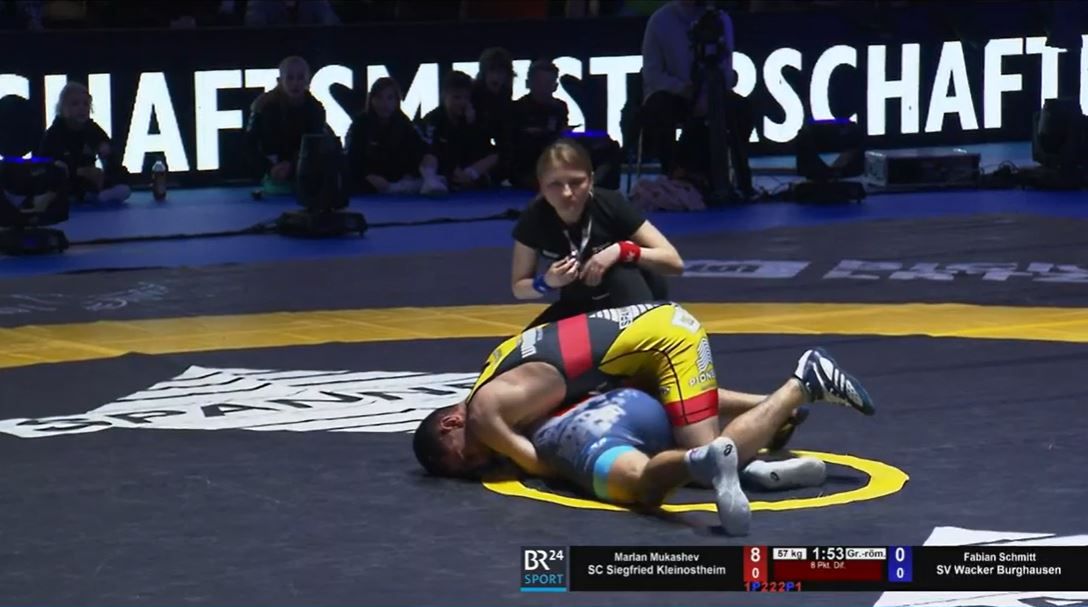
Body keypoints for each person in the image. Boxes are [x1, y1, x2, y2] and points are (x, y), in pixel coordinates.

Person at [411, 302, 875, 515]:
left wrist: (509, 459)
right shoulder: (495, 375)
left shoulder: (485, 412)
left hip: (666, 340)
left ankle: (802, 383)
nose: (479, 463)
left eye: (466, 458)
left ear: (452, 422)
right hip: (639, 344)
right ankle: (769, 413)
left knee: (707, 457)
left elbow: (537, 464)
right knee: (666, 403)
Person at [527, 386, 830, 533]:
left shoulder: (523, 420)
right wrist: (764, 403)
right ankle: (754, 465)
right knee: (686, 403)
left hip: (579, 431)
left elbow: (526, 457)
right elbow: (697, 397)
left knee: (641, 484)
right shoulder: (566, 375)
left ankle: (699, 458)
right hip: (630, 398)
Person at [511, 139, 682, 329]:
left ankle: (646, 332)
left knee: (619, 271)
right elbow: (519, 288)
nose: (567, 193)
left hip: (632, 298)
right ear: (541, 186)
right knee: (526, 346)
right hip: (580, 302)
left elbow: (674, 262)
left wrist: (621, 250)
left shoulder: (611, 204)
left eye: (576, 182)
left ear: (591, 180)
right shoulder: (534, 217)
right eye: (555, 184)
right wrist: (546, 282)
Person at [245, 56, 329, 195]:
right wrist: (269, 168)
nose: (295, 83)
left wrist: (293, 165)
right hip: (272, 170)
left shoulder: (316, 109)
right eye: (290, 78)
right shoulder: (263, 107)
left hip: (304, 170)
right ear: (280, 80)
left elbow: (316, 145)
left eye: (300, 77)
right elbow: (249, 145)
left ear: (307, 80)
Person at [37, 82, 130, 204]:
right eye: (75, 104)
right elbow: (46, 163)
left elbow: (109, 150)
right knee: (57, 174)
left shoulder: (92, 128)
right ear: (63, 109)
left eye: (86, 104)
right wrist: (79, 171)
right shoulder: (55, 133)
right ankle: (80, 195)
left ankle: (102, 193)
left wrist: (106, 150)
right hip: (67, 178)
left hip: (89, 179)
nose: (82, 108)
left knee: (120, 175)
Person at [416, 71, 500, 196]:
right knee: (430, 155)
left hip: (464, 168)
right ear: (444, 96)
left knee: (494, 156)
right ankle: (431, 182)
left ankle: (467, 179)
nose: (461, 102)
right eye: (456, 97)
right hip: (442, 169)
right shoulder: (433, 119)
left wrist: (472, 126)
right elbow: (428, 150)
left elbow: (483, 149)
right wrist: (451, 168)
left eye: (466, 98)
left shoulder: (473, 118)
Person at [344, 77, 428, 195]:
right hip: (369, 182)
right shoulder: (360, 124)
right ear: (371, 100)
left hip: (400, 183)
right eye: (379, 98)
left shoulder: (405, 124)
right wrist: (367, 175)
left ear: (397, 101)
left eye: (390, 98)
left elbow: (419, 152)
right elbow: (352, 158)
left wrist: (411, 173)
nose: (384, 104)